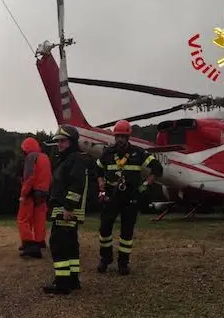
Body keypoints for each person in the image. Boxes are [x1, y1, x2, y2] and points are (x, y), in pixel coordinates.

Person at [96, 120, 163, 275]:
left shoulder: (139, 153)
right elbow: (97, 169)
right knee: (104, 229)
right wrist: (100, 183)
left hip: (131, 196)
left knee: (127, 232)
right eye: (117, 136)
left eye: (123, 136)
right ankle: (105, 259)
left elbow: (157, 168)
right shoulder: (108, 153)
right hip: (111, 195)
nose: (119, 139)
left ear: (128, 137)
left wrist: (146, 185)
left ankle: (123, 263)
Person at [43, 125, 90, 295]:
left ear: (71, 142)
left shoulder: (74, 159)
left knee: (58, 245)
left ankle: (62, 283)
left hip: (66, 210)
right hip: (64, 209)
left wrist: (69, 207)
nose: (59, 144)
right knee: (70, 245)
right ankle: (72, 280)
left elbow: (76, 184)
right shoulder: (69, 159)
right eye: (58, 141)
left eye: (63, 141)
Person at [17, 137, 52, 259]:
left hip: (31, 192)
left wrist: (23, 194)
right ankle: (39, 242)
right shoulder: (45, 157)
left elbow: (29, 177)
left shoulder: (31, 157)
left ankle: (29, 245)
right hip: (43, 192)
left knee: (23, 219)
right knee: (39, 219)